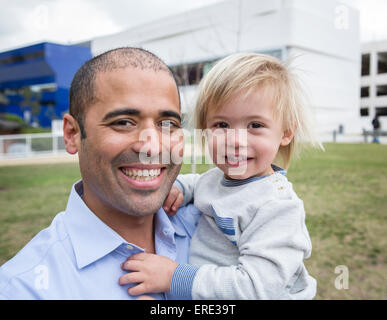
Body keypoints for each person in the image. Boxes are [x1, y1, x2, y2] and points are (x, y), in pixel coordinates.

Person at [0, 47, 201, 299]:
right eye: (124, 122)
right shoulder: (22, 289)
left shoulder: (222, 228)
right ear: (72, 134)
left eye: (168, 124)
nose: (153, 146)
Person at [118, 53, 322, 299]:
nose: (235, 141)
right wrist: (180, 187)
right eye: (222, 125)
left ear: (286, 133)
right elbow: (202, 182)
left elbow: (257, 288)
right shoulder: (217, 177)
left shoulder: (277, 207)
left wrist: (173, 277)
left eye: (255, 125)